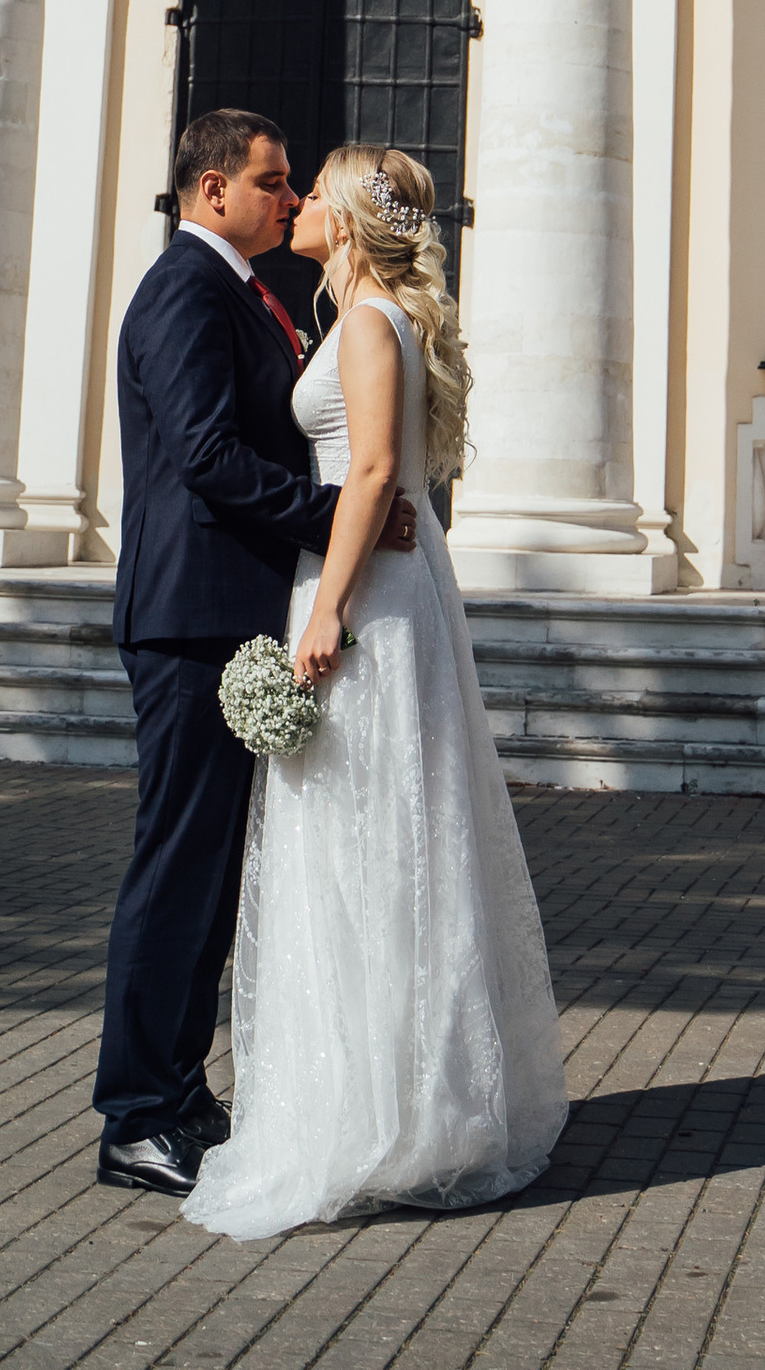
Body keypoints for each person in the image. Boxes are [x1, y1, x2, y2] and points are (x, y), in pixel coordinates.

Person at [186, 145, 568, 1239]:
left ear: (348, 219)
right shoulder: (371, 317)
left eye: (314, 194)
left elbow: (363, 476)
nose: (297, 203)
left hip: (366, 596)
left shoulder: (364, 326)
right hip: (385, 581)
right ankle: (406, 1101)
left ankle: (375, 1116)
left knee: (366, 840)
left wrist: (325, 611)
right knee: (382, 838)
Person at [92, 108, 417, 1198]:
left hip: (230, 611)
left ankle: (181, 1093)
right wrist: (334, 516)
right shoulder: (186, 286)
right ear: (209, 191)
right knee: (177, 864)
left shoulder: (243, 288)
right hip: (189, 616)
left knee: (210, 870)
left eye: (291, 184)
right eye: (271, 182)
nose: (287, 199)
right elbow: (204, 456)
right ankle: (137, 1113)